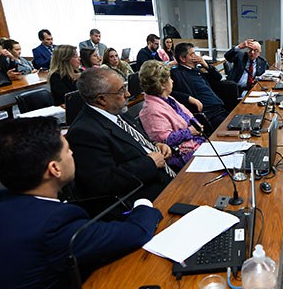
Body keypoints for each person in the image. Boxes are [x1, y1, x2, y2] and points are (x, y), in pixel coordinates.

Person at [0, 116, 162, 289]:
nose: (73, 155)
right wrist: (143, 204)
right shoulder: (53, 224)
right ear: (54, 168)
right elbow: (136, 232)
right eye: (68, 150)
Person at [65, 68, 174, 207]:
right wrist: (149, 163)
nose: (128, 94)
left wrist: (154, 145)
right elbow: (104, 182)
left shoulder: (117, 111)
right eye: (121, 90)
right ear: (102, 99)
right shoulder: (84, 132)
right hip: (146, 199)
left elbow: (133, 143)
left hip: (166, 180)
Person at [139, 60, 205, 170]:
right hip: (181, 159)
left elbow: (189, 118)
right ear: (162, 84)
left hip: (196, 145)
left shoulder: (168, 99)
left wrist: (196, 127)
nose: (172, 81)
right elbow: (164, 140)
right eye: (169, 78)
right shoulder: (151, 110)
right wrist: (191, 131)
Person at [170, 42, 226, 130]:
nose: (196, 57)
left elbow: (218, 78)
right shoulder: (176, 74)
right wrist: (188, 98)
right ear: (183, 58)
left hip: (219, 108)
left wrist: (206, 65)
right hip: (208, 113)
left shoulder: (197, 70)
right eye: (192, 54)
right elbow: (168, 93)